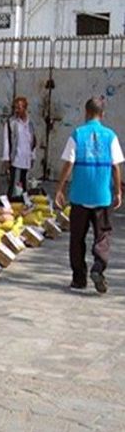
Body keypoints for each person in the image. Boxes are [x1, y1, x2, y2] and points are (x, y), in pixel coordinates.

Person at [55, 98, 123, 293]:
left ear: (85, 112)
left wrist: (60, 188)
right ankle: (98, 268)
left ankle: (79, 279)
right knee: (103, 236)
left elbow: (68, 164)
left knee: (77, 238)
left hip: (79, 196)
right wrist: (118, 191)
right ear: (103, 114)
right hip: (102, 196)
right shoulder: (110, 136)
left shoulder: (77, 134)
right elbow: (116, 167)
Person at [2, 96, 37, 197]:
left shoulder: (30, 123)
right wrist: (6, 158)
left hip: (26, 158)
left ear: (25, 108)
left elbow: (33, 141)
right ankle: (12, 204)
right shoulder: (11, 122)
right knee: (14, 185)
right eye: (15, 108)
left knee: (24, 185)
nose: (16, 110)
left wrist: (33, 156)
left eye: (19, 108)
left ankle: (23, 204)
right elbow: (7, 140)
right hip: (16, 159)